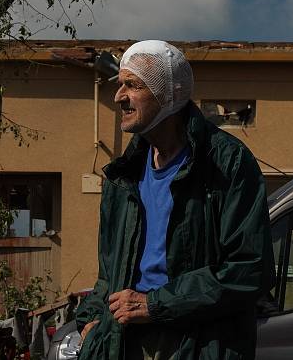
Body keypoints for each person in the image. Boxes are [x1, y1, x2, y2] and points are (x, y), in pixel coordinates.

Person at [75, 40, 275, 360]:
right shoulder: (122, 177)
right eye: (119, 85)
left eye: (132, 85)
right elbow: (108, 276)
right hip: (126, 342)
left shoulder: (227, 163)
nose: (118, 96)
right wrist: (90, 323)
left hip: (197, 344)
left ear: (170, 94)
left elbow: (249, 270)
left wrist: (154, 305)